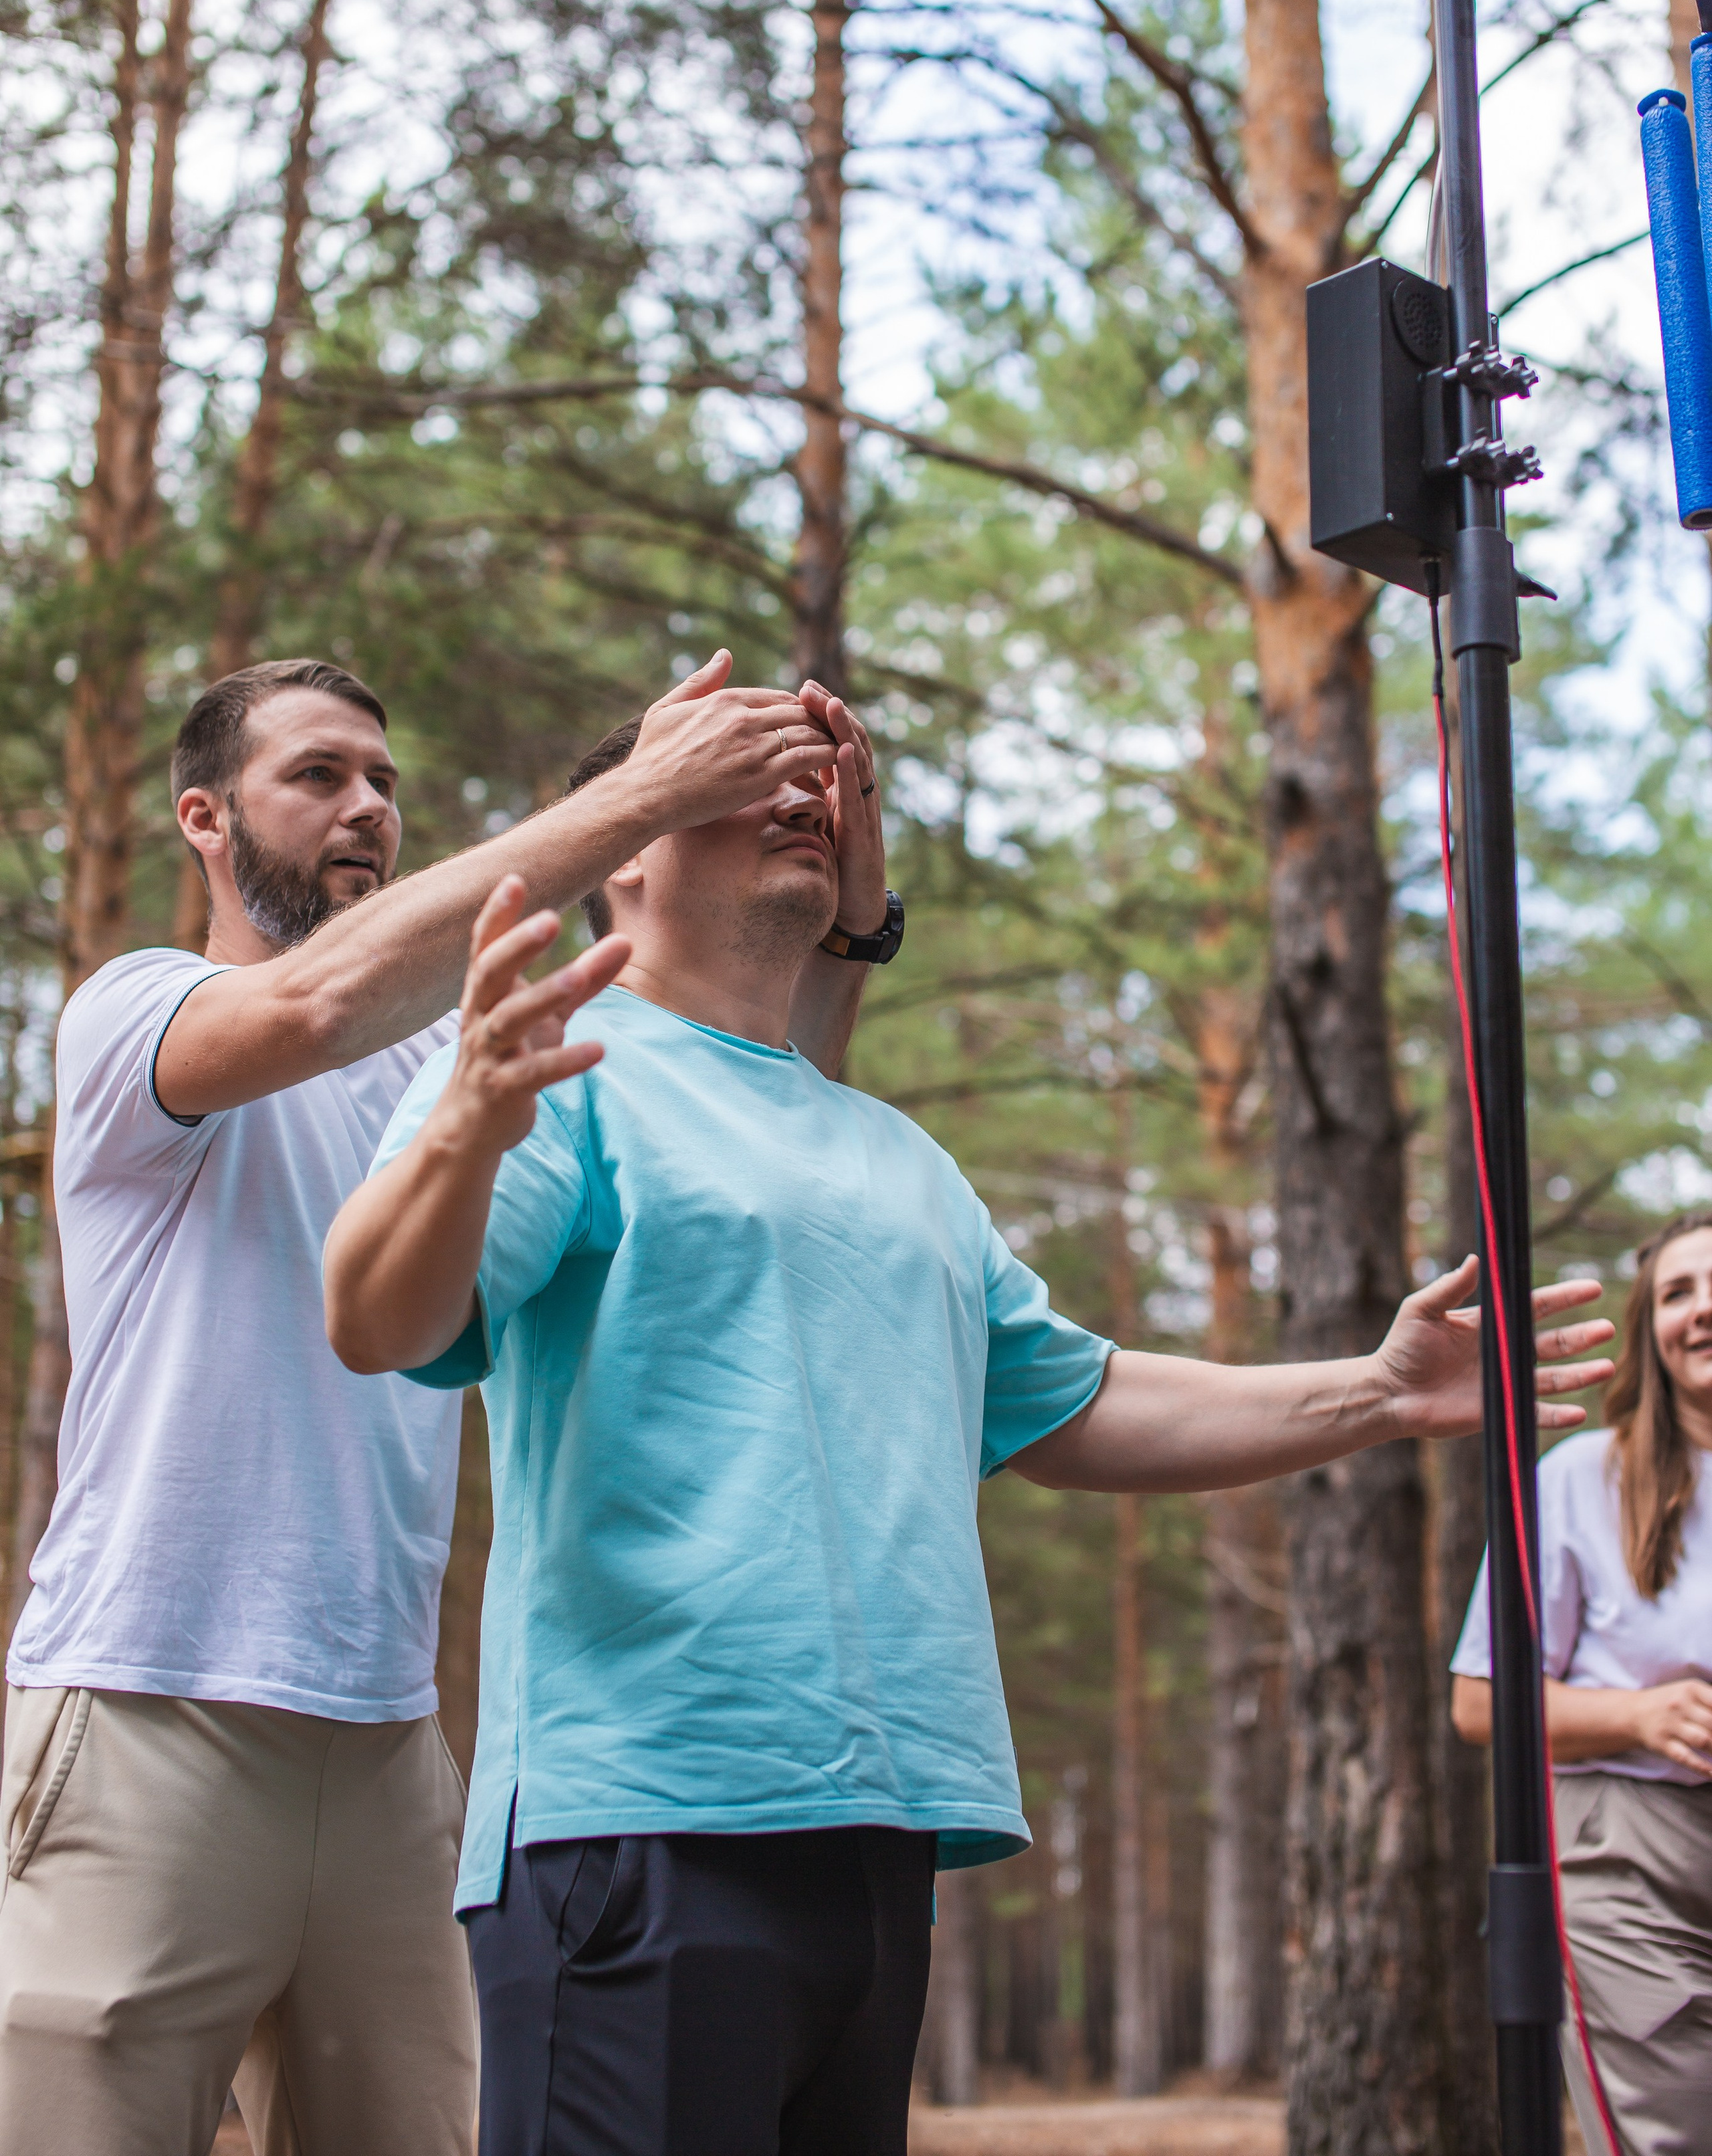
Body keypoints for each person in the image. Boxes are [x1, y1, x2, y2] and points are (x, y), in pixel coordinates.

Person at [324, 709, 1614, 2156]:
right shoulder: (555, 1075)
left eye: (816, 783)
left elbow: (1081, 1400)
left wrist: (1374, 1390)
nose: (803, 800)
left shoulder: (898, 1159)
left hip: (886, 1841)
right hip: (639, 1829)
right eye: (739, 783)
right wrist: (457, 1134)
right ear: (622, 852)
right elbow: (379, 1322)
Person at [0, 649, 881, 2156]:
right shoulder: (136, 1014)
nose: (366, 809)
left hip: (398, 1752)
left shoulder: (468, 1063)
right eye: (320, 776)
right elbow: (318, 1001)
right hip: (150, 1707)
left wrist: (846, 900)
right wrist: (642, 794)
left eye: (386, 784)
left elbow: (767, 1063)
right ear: (204, 820)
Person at [1452, 1206, 1712, 2156]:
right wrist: (1639, 1715)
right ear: (1651, 1329)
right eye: (1680, 1292)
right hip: (1629, 1855)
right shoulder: (1577, 1482)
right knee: (1674, 2135)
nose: (1703, 1309)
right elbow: (1480, 1703)